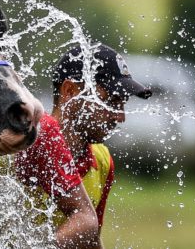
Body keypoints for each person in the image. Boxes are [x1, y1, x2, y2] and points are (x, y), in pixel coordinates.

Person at [14, 43, 153, 248]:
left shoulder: (102, 160)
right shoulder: (33, 135)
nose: (120, 116)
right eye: (111, 101)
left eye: (123, 104)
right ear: (70, 91)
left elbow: (89, 240)